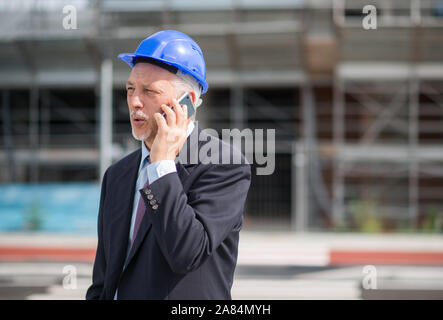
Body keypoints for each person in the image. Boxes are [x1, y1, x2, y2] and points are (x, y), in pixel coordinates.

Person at [86, 30, 251, 300]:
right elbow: (104, 279)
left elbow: (187, 253)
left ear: (186, 104)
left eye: (149, 91)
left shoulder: (224, 166)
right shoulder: (117, 175)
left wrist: (161, 166)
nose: (134, 102)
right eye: (130, 89)